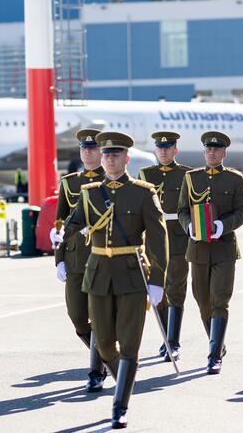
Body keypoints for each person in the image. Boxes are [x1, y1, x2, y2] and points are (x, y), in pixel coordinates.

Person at [58, 131, 168, 429]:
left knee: (129, 343)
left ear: (127, 159)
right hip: (98, 275)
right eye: (106, 155)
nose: (109, 159)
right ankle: (124, 381)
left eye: (115, 155)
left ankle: (120, 406)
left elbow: (158, 239)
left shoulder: (144, 193)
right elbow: (76, 221)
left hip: (132, 273)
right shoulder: (90, 191)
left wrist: (158, 280)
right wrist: (61, 235)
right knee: (104, 344)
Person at [177, 131, 243, 375]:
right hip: (197, 249)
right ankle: (217, 342)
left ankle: (214, 355)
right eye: (208, 149)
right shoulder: (191, 178)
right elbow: (182, 210)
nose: (212, 152)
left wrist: (222, 225)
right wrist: (189, 227)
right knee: (202, 300)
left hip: (224, 248)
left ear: (224, 153)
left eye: (217, 149)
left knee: (220, 300)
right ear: (204, 151)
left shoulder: (235, 179)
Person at [51, 129, 107, 392]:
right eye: (84, 148)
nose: (87, 152)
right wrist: (58, 259)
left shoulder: (112, 181)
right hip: (74, 259)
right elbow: (60, 224)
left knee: (99, 316)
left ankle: (96, 369)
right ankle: (105, 353)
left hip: (102, 257)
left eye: (93, 148)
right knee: (77, 317)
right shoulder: (70, 183)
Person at [138, 131, 192, 362]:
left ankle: (173, 341)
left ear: (175, 150)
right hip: (153, 240)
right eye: (160, 148)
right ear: (155, 150)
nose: (163, 151)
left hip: (178, 237)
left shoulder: (187, 174)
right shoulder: (145, 174)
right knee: (157, 290)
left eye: (168, 148)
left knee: (176, 290)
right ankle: (166, 339)